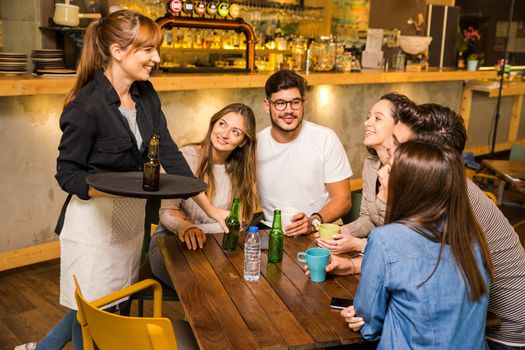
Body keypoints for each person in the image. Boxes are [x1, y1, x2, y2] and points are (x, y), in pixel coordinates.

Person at [16, 10, 225, 350]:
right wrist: (114, 190)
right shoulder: (87, 106)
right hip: (92, 223)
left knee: (112, 302)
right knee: (91, 313)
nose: (156, 58)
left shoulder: (146, 94)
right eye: (148, 50)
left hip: (131, 220)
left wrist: (210, 207)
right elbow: (67, 174)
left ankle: (42, 349)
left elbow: (169, 152)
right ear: (117, 51)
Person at [382, 103, 525, 350]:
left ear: (427, 159)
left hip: (505, 326)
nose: (387, 145)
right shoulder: (440, 185)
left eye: (397, 143)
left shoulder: (451, 197)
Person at [343, 140, 493, 349]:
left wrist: (360, 317)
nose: (380, 173)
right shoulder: (471, 236)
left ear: (412, 185)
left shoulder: (385, 239)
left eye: (391, 168)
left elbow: (370, 326)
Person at [148, 103, 258, 289]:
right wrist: (186, 226)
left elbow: (240, 222)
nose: (224, 134)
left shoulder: (244, 172)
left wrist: (204, 232)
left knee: (237, 282)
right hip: (171, 242)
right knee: (205, 284)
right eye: (222, 124)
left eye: (235, 132)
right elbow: (167, 212)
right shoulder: (184, 158)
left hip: (214, 245)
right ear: (213, 124)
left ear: (243, 141)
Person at [316, 92, 416, 256]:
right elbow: (368, 218)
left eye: (377, 118)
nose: (366, 123)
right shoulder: (370, 166)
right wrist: (342, 232)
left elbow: (404, 238)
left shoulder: (410, 171)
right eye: (369, 117)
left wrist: (358, 244)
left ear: (398, 127)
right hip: (376, 251)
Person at [257, 70, 352, 236]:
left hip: (319, 232)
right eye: (280, 103)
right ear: (267, 105)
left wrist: (313, 221)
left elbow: (343, 199)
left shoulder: (325, 138)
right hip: (274, 234)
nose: (289, 110)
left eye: (295, 102)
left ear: (303, 103)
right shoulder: (256, 145)